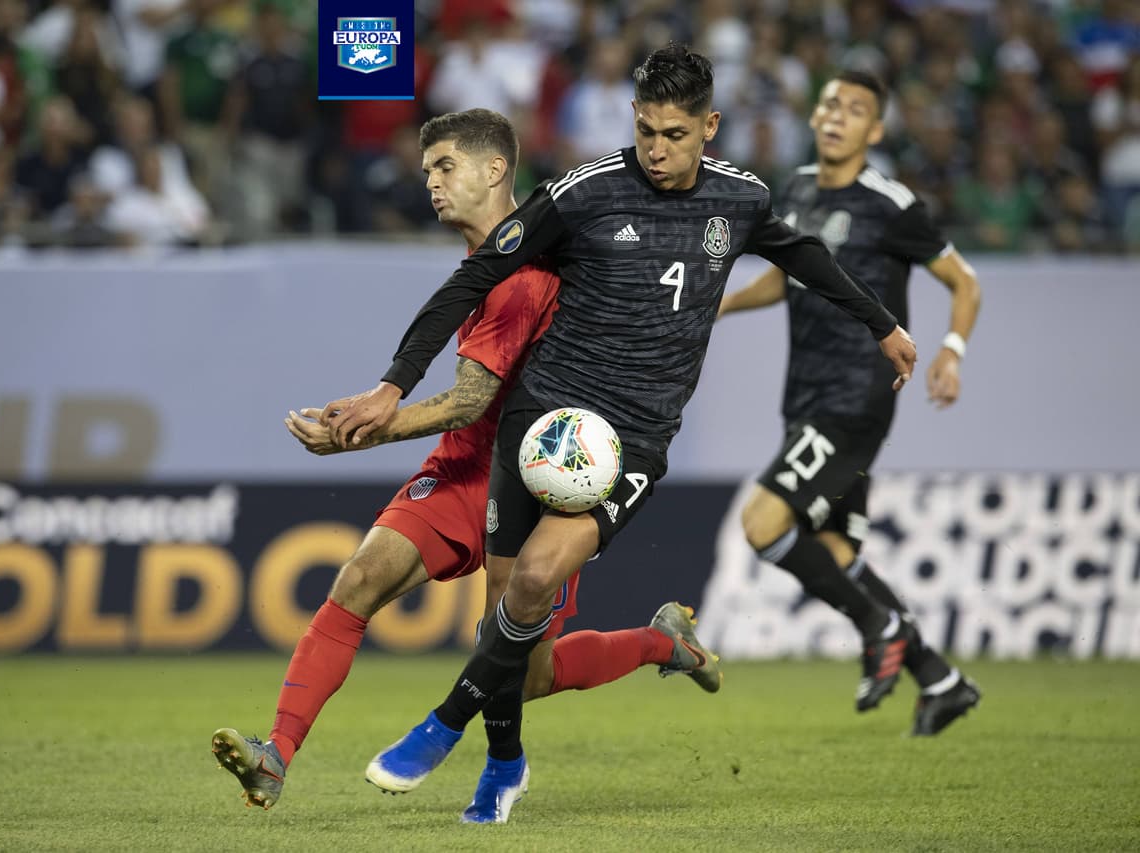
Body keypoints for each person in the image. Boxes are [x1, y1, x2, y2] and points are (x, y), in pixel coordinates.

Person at [325, 43, 919, 821]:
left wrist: (882, 324)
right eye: (645, 131)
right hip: (541, 421)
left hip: (628, 441)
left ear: (709, 126)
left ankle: (443, 725)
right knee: (508, 627)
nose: (658, 150)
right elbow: (475, 274)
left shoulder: (739, 199)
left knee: (536, 582)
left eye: (674, 134)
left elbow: (801, 251)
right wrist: (392, 383)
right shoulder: (584, 192)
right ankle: (506, 766)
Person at [209, 108, 722, 822]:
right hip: (464, 467)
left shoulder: (536, 269)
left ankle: (658, 642)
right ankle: (276, 756)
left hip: (542, 480)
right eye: (427, 172)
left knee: (522, 673)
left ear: (494, 171)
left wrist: (361, 427)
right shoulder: (485, 271)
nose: (431, 185)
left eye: (444, 167)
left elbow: (469, 398)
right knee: (357, 580)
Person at [717, 70, 982, 735]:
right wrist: (715, 306)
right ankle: (941, 680)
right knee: (837, 549)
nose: (838, 115)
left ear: (876, 130)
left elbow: (964, 280)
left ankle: (880, 624)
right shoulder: (798, 188)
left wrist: (951, 350)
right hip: (802, 395)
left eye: (856, 108)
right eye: (831, 103)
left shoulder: (890, 204)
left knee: (763, 522)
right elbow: (785, 281)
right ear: (815, 115)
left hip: (856, 396)